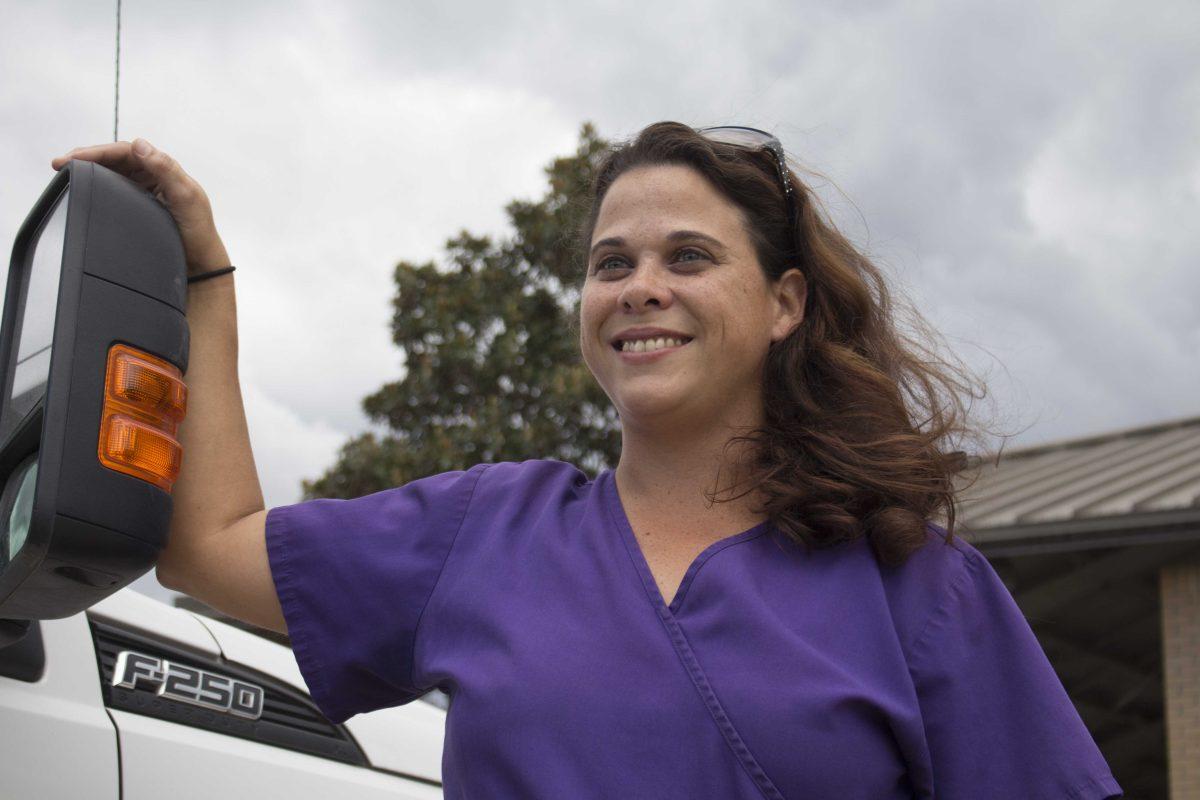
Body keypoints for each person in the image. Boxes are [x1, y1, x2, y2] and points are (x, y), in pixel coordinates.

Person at [53, 123, 1122, 799]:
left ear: (785, 303)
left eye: (688, 256)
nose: (639, 285)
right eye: (613, 262)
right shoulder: (487, 530)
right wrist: (204, 279)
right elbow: (209, 547)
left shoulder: (917, 588)